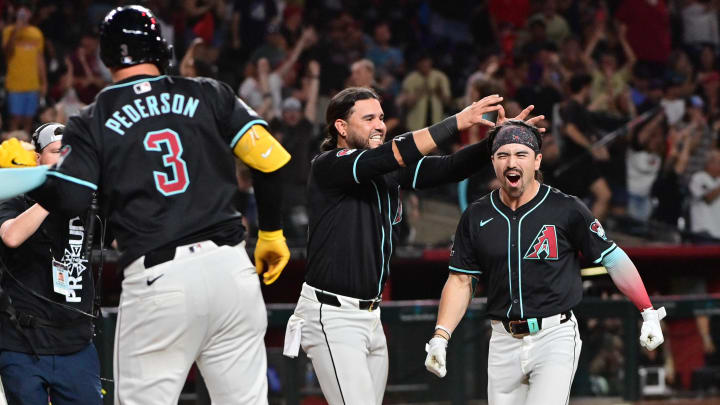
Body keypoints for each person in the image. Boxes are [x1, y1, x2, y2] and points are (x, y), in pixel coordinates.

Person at [0, 5, 291, 405]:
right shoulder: (208, 91)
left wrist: (34, 176)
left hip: (160, 277)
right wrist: (272, 234)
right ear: (161, 50)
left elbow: (72, 198)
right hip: (232, 270)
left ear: (105, 59)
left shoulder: (93, 117)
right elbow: (273, 162)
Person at [283, 86, 544, 405]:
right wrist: (456, 121)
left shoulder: (387, 172)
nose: (379, 124)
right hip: (331, 314)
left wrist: (498, 139)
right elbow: (395, 152)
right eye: (368, 118)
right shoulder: (329, 165)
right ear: (341, 126)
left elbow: (450, 168)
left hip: (370, 316)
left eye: (380, 117)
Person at [424, 120, 666, 405]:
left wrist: (647, 311)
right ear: (493, 162)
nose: (511, 162)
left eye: (521, 154)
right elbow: (461, 280)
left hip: (554, 335)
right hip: (502, 340)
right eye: (503, 155)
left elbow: (612, 257)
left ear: (537, 160)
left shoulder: (566, 208)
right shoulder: (476, 215)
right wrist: (441, 335)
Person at [0, 123, 101, 405]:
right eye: (57, 152)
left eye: (71, 153)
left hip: (77, 342)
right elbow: (11, 236)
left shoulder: (88, 202)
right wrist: (54, 196)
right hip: (23, 343)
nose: (65, 159)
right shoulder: (13, 199)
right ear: (38, 159)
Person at [2, 3, 47, 133]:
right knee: (15, 120)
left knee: (29, 121)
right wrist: (16, 29)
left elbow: (40, 59)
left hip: (32, 84)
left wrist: (44, 82)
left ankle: (26, 152)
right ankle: (11, 152)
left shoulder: (36, 33)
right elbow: (7, 52)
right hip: (15, 83)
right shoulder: (8, 31)